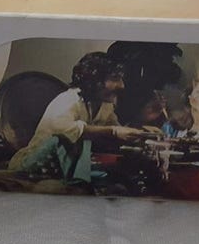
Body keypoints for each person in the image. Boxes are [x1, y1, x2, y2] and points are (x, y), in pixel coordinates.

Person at [8, 52, 144, 172]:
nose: (121, 85)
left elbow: (117, 131)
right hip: (34, 163)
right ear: (95, 80)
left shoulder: (105, 105)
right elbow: (65, 130)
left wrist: (140, 130)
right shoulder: (69, 99)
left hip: (66, 166)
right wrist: (113, 131)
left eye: (121, 79)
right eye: (115, 78)